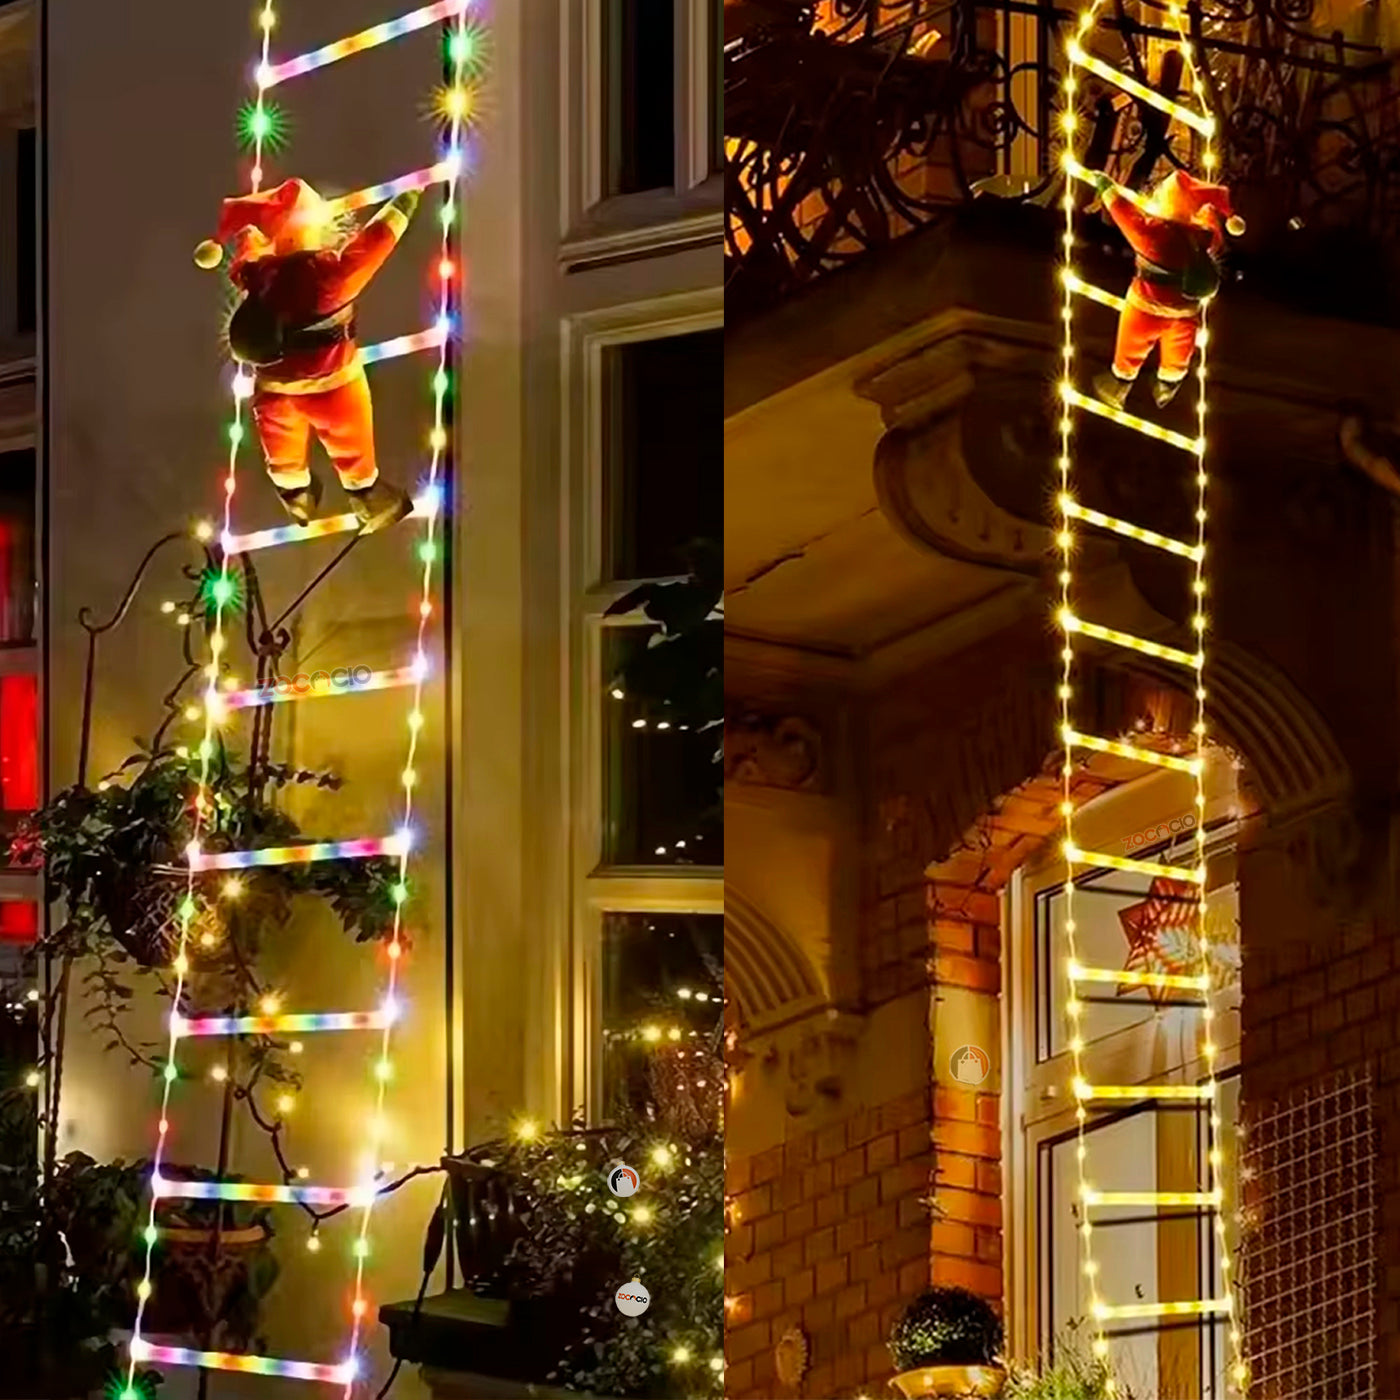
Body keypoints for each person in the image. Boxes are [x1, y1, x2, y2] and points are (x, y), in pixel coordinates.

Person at [193, 177, 419, 533]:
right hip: (332, 386)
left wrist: (250, 230)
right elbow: (371, 248)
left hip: (274, 393)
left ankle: (295, 495)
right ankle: (367, 496)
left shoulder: (260, 273)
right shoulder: (326, 274)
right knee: (351, 440)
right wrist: (402, 207)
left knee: (281, 450)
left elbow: (246, 254)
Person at [1091, 168, 1245, 411]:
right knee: (1179, 351)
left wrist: (1106, 188)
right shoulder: (1206, 236)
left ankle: (1118, 383)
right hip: (1185, 313)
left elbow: (1125, 216)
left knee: (1132, 344)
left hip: (1147, 305)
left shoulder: (1154, 234)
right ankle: (1167, 386)